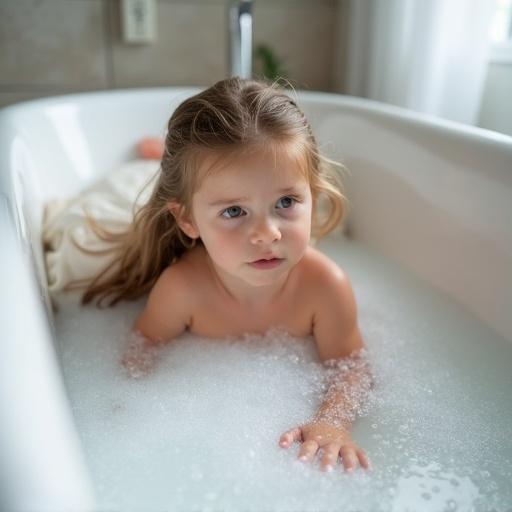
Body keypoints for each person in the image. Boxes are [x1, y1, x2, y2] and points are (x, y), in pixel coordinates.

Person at [70, 76, 374, 474]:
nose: (268, 234)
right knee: (138, 187)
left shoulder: (324, 287)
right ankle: (151, 154)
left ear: (313, 198)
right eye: (234, 211)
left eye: (286, 202)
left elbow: (352, 368)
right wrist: (123, 408)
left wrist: (333, 421)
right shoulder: (182, 289)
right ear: (189, 221)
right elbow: (141, 350)